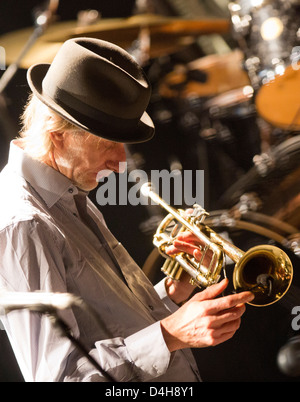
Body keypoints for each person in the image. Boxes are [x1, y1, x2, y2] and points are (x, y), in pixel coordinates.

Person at [0, 38, 254, 382]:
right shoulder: (23, 224)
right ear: (57, 133)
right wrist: (169, 334)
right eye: (108, 143)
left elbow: (107, 328)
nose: (120, 164)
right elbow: (58, 377)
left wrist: (172, 292)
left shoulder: (66, 191)